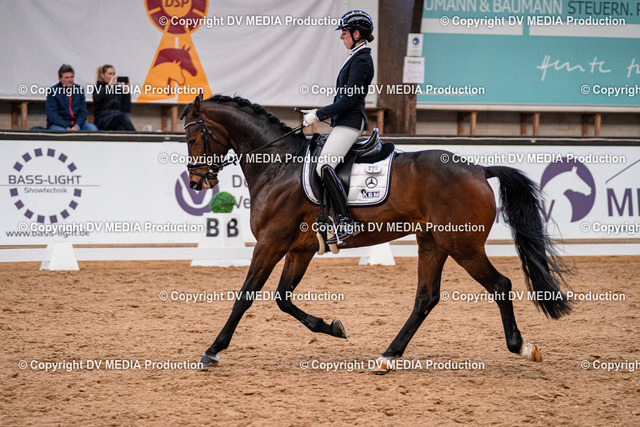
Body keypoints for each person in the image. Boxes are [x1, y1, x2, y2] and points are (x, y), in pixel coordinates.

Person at [301, 10, 375, 245]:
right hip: (344, 122)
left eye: (344, 33)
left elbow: (349, 101)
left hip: (351, 122)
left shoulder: (361, 60)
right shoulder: (355, 56)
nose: (341, 37)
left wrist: (318, 114)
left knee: (324, 165)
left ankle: (345, 220)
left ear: (356, 34)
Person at [46, 64, 98, 131]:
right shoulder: (53, 91)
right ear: (60, 78)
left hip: (77, 124)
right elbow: (52, 114)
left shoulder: (79, 89)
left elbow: (83, 111)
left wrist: (77, 126)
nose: (70, 80)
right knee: (63, 133)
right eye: (67, 78)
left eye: (71, 77)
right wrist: (66, 127)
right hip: (59, 125)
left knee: (92, 128)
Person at [93, 64, 136, 130]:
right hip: (103, 119)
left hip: (117, 118)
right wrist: (108, 87)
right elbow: (97, 98)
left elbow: (127, 109)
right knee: (121, 115)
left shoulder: (118, 89)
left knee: (121, 128)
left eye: (114, 74)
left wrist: (126, 92)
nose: (113, 76)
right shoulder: (98, 87)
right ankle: (137, 134)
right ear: (103, 76)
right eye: (110, 74)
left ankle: (134, 135)